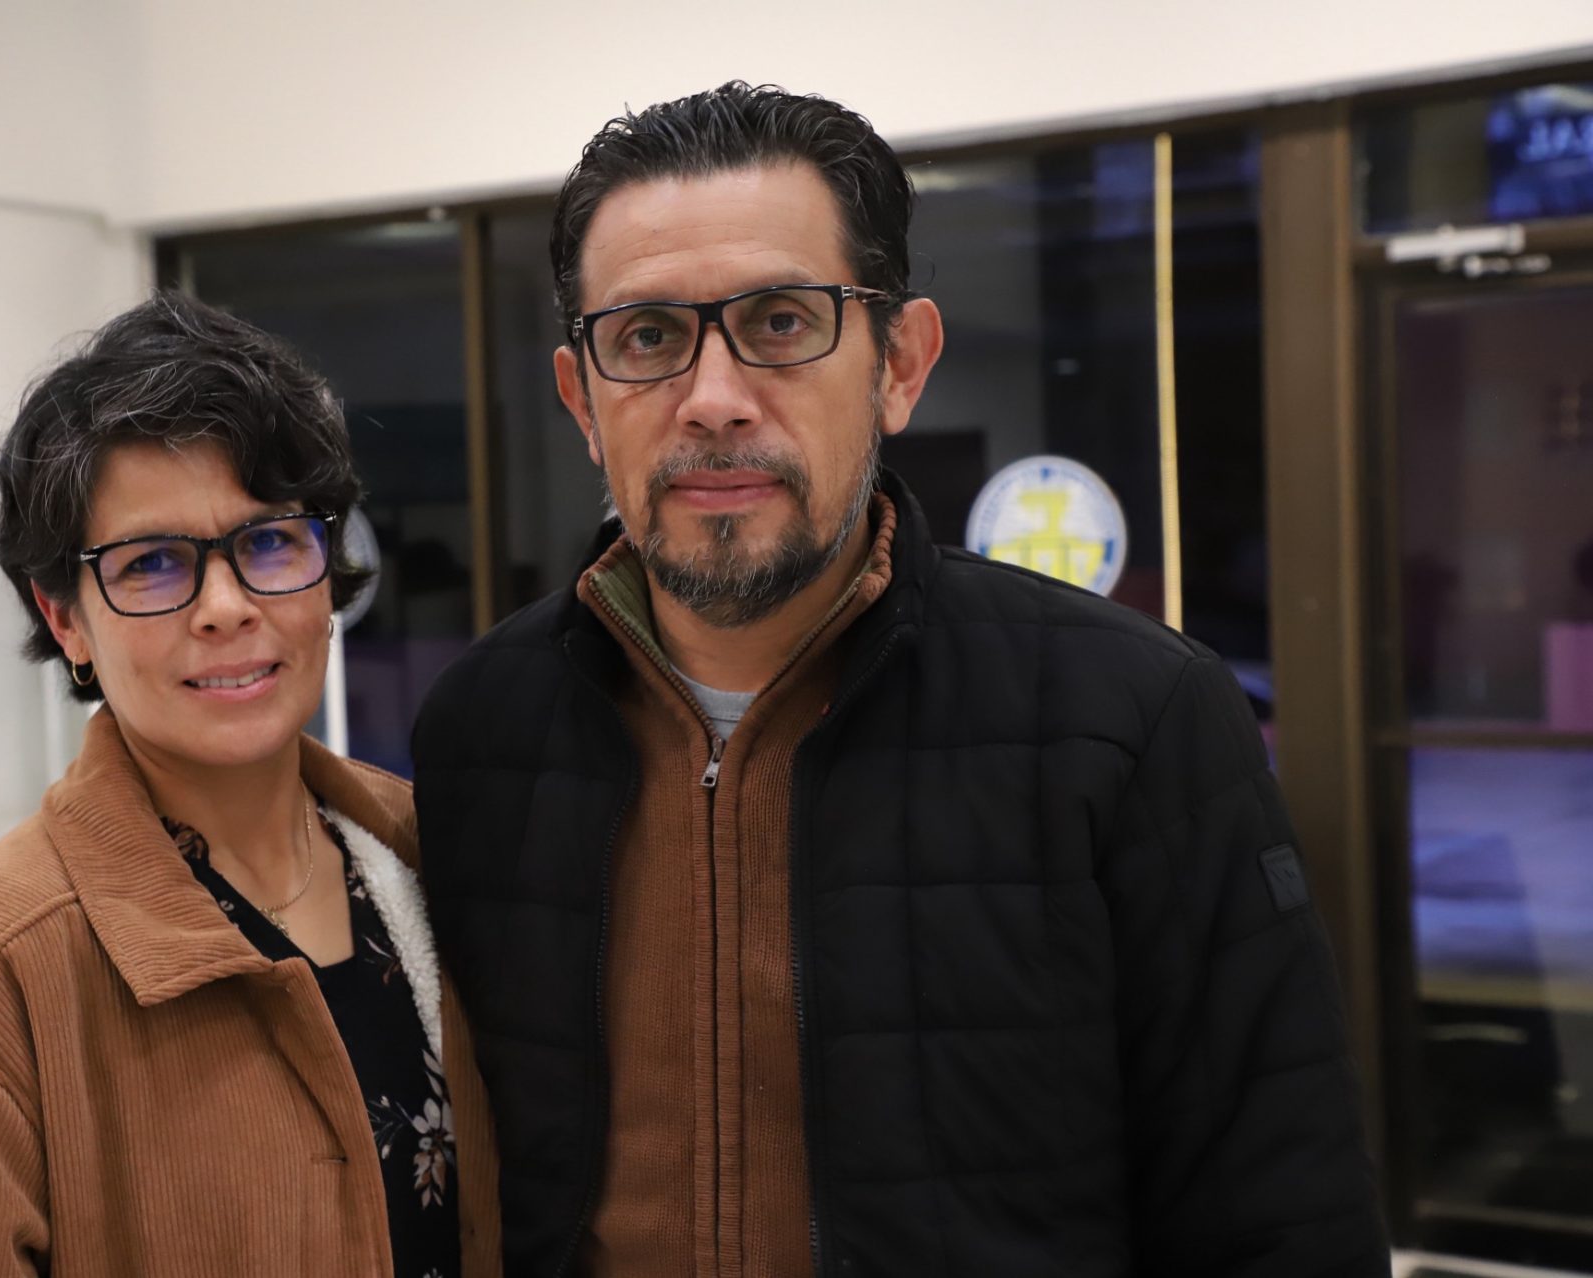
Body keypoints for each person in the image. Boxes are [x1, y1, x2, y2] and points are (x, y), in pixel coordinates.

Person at [413, 83, 1389, 1276]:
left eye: (781, 321)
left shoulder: (1130, 722)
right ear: (582, 398)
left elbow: (1282, 1222)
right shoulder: (484, 734)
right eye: (649, 337)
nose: (712, 400)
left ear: (900, 365)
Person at [0, 293, 499, 1276]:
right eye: (155, 564)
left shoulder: (441, 859)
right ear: (66, 619)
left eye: (269, 542)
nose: (226, 607)